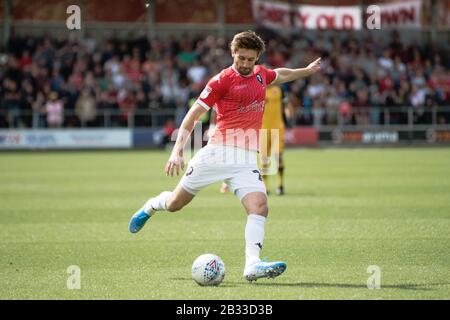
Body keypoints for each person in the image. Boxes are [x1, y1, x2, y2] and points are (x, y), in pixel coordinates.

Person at [129, 31, 321, 281]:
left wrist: (305, 71)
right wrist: (177, 151)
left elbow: (282, 74)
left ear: (256, 58)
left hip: (246, 160)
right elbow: (193, 115)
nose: (244, 64)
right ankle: (151, 206)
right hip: (217, 154)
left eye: (250, 59)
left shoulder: (262, 74)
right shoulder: (221, 80)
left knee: (260, 207)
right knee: (176, 204)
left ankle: (252, 264)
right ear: (233, 53)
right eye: (240, 58)